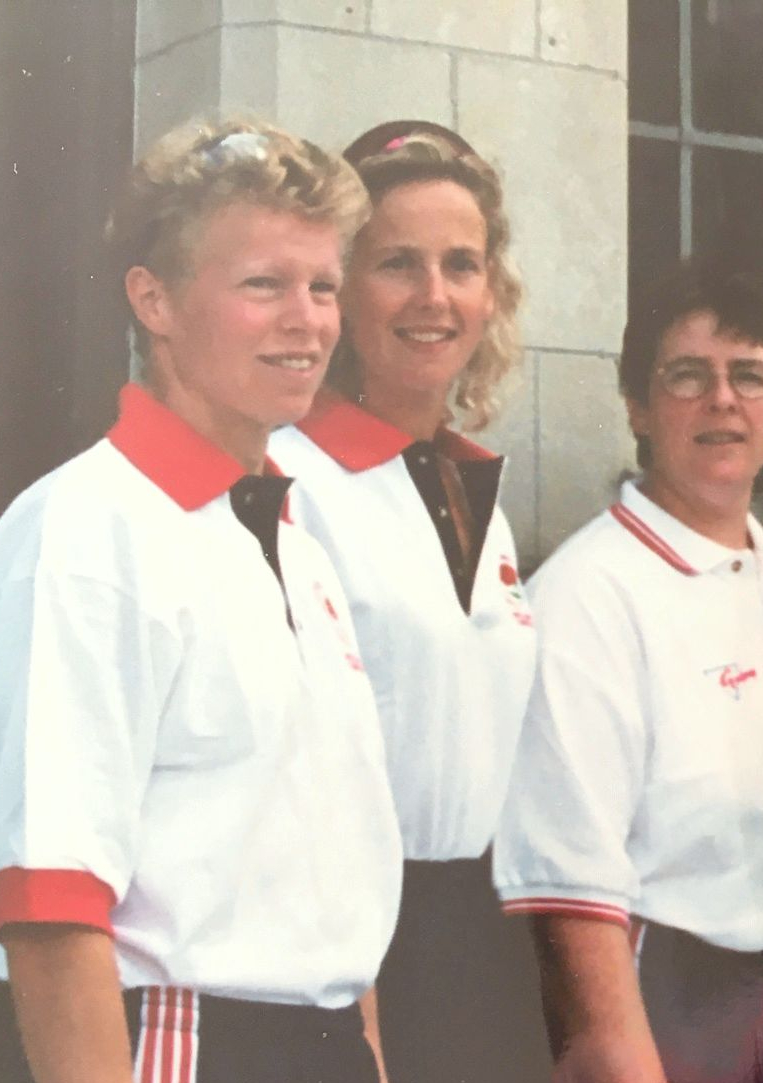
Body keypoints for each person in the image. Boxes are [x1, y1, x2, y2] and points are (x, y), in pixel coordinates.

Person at [0, 118, 400, 1083]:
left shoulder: (293, 537)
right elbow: (49, 906)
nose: (309, 320)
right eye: (263, 285)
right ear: (153, 300)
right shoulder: (85, 532)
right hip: (184, 1044)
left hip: (322, 1041)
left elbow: (329, 881)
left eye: (323, 285)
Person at [495, 259, 763, 1083]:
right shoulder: (586, 598)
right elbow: (572, 906)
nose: (723, 399)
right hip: (693, 1024)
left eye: (749, 375)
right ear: (638, 406)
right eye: (687, 375)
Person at [268, 119, 535, 1081]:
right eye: (397, 265)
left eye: (460, 265)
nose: (434, 297)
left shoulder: (474, 489)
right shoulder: (286, 477)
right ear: (339, 288)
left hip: (486, 938)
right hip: (358, 943)